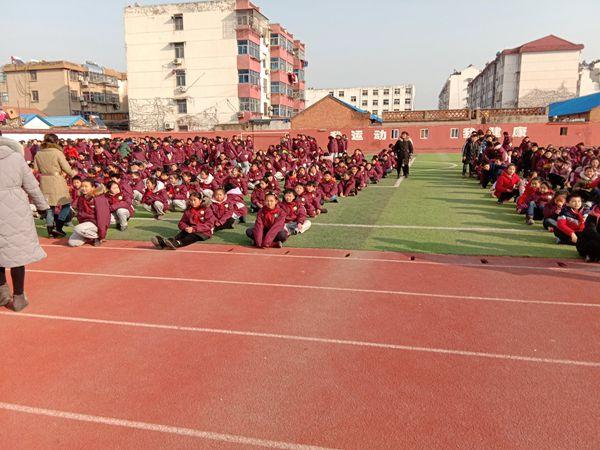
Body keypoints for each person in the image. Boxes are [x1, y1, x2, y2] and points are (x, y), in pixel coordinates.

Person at [0, 136, 50, 312]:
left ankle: (2, 292)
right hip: (15, 209)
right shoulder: (16, 158)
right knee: (16, 256)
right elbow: (32, 186)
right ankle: (19, 296)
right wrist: (43, 206)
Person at [33, 133, 77, 238]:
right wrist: (73, 174)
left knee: (49, 208)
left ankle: (50, 231)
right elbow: (66, 168)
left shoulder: (38, 154)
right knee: (65, 204)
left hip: (44, 181)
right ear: (56, 142)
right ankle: (58, 227)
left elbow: (36, 169)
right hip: (57, 180)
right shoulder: (58, 153)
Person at [69, 179, 111, 247]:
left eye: (86, 186)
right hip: (85, 225)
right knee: (72, 242)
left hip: (95, 224)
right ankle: (89, 237)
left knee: (78, 228)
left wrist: (102, 235)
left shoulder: (98, 198)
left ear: (93, 187)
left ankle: (96, 237)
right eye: (82, 186)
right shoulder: (81, 198)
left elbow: (102, 218)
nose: (84, 188)